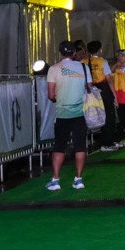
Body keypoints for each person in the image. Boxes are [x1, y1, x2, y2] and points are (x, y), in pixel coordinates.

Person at [44, 41, 90, 191]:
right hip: (80, 113)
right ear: (74, 53)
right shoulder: (84, 67)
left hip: (62, 113)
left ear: (60, 53)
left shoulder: (53, 69)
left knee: (59, 146)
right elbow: (89, 87)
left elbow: (51, 95)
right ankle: (78, 179)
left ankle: (55, 180)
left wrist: (61, 98)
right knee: (80, 146)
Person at [86, 39, 119, 150]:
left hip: (91, 92)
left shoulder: (84, 62)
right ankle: (108, 142)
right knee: (108, 116)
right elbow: (109, 80)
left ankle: (104, 142)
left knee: (97, 115)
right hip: (104, 92)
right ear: (99, 50)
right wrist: (114, 95)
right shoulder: (102, 62)